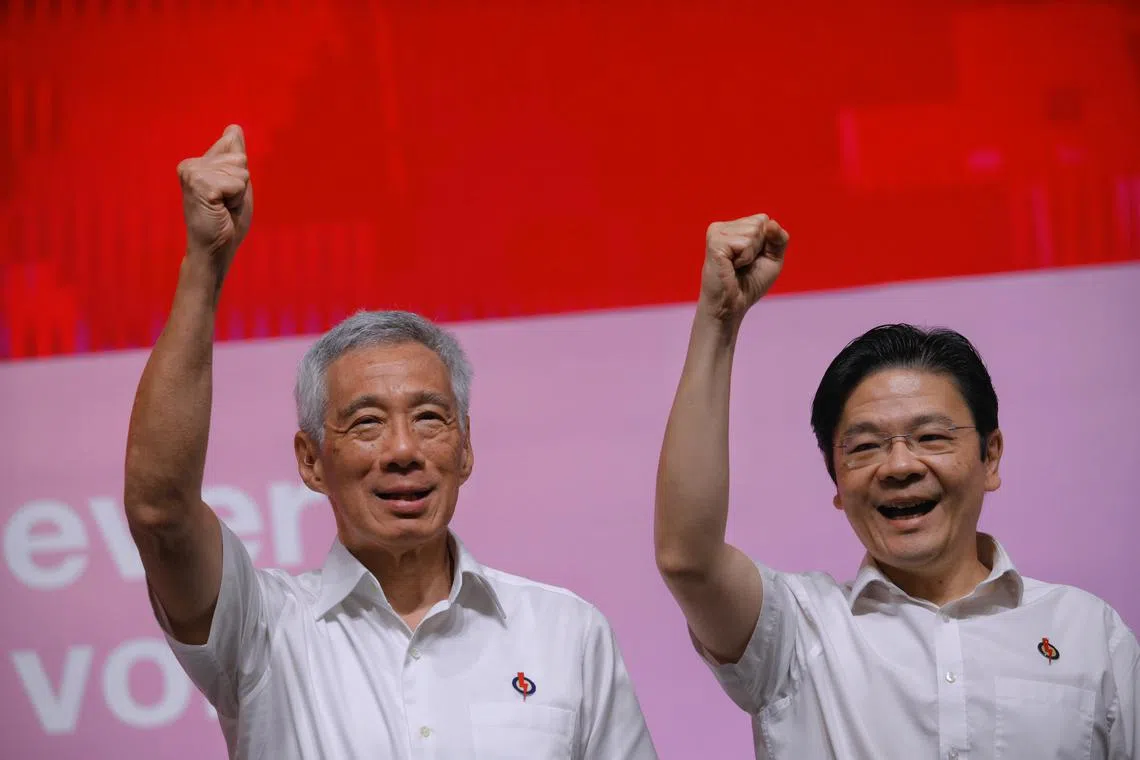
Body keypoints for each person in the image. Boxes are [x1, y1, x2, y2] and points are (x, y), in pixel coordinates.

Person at [124, 125, 657, 760]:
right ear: (311, 461)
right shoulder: (260, 628)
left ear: (465, 449)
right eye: (368, 423)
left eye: (430, 418)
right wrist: (204, 267)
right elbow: (160, 511)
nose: (403, 449)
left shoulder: (567, 633)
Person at [653, 212, 1138, 759]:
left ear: (991, 457)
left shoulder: (1086, 632)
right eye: (864, 446)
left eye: (931, 437)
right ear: (836, 482)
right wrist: (719, 319)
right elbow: (687, 559)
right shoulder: (796, 629)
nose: (899, 465)